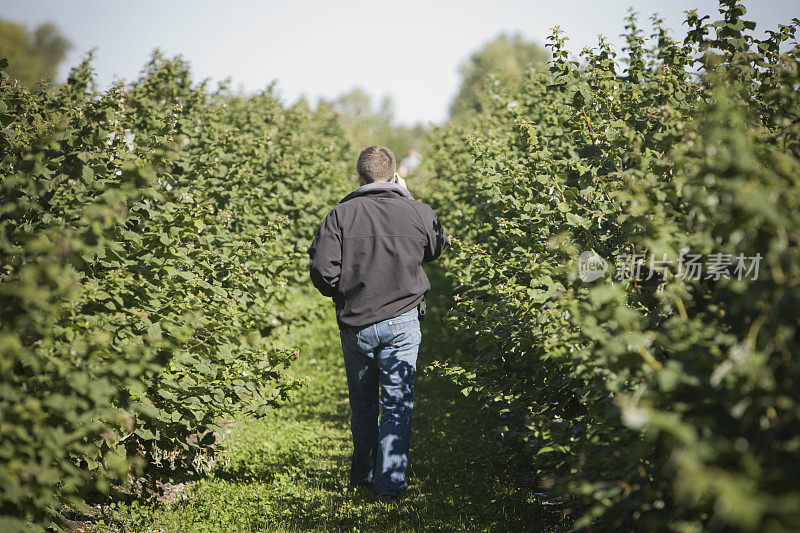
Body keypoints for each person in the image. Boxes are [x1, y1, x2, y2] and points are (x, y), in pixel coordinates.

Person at [308, 145, 447, 498]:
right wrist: (409, 198)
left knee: (364, 406)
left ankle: (363, 478)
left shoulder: (338, 216)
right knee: (397, 404)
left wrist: (344, 295)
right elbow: (436, 247)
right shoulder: (416, 211)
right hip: (402, 322)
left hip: (356, 325)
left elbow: (323, 272)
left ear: (359, 177)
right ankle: (390, 486)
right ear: (395, 174)